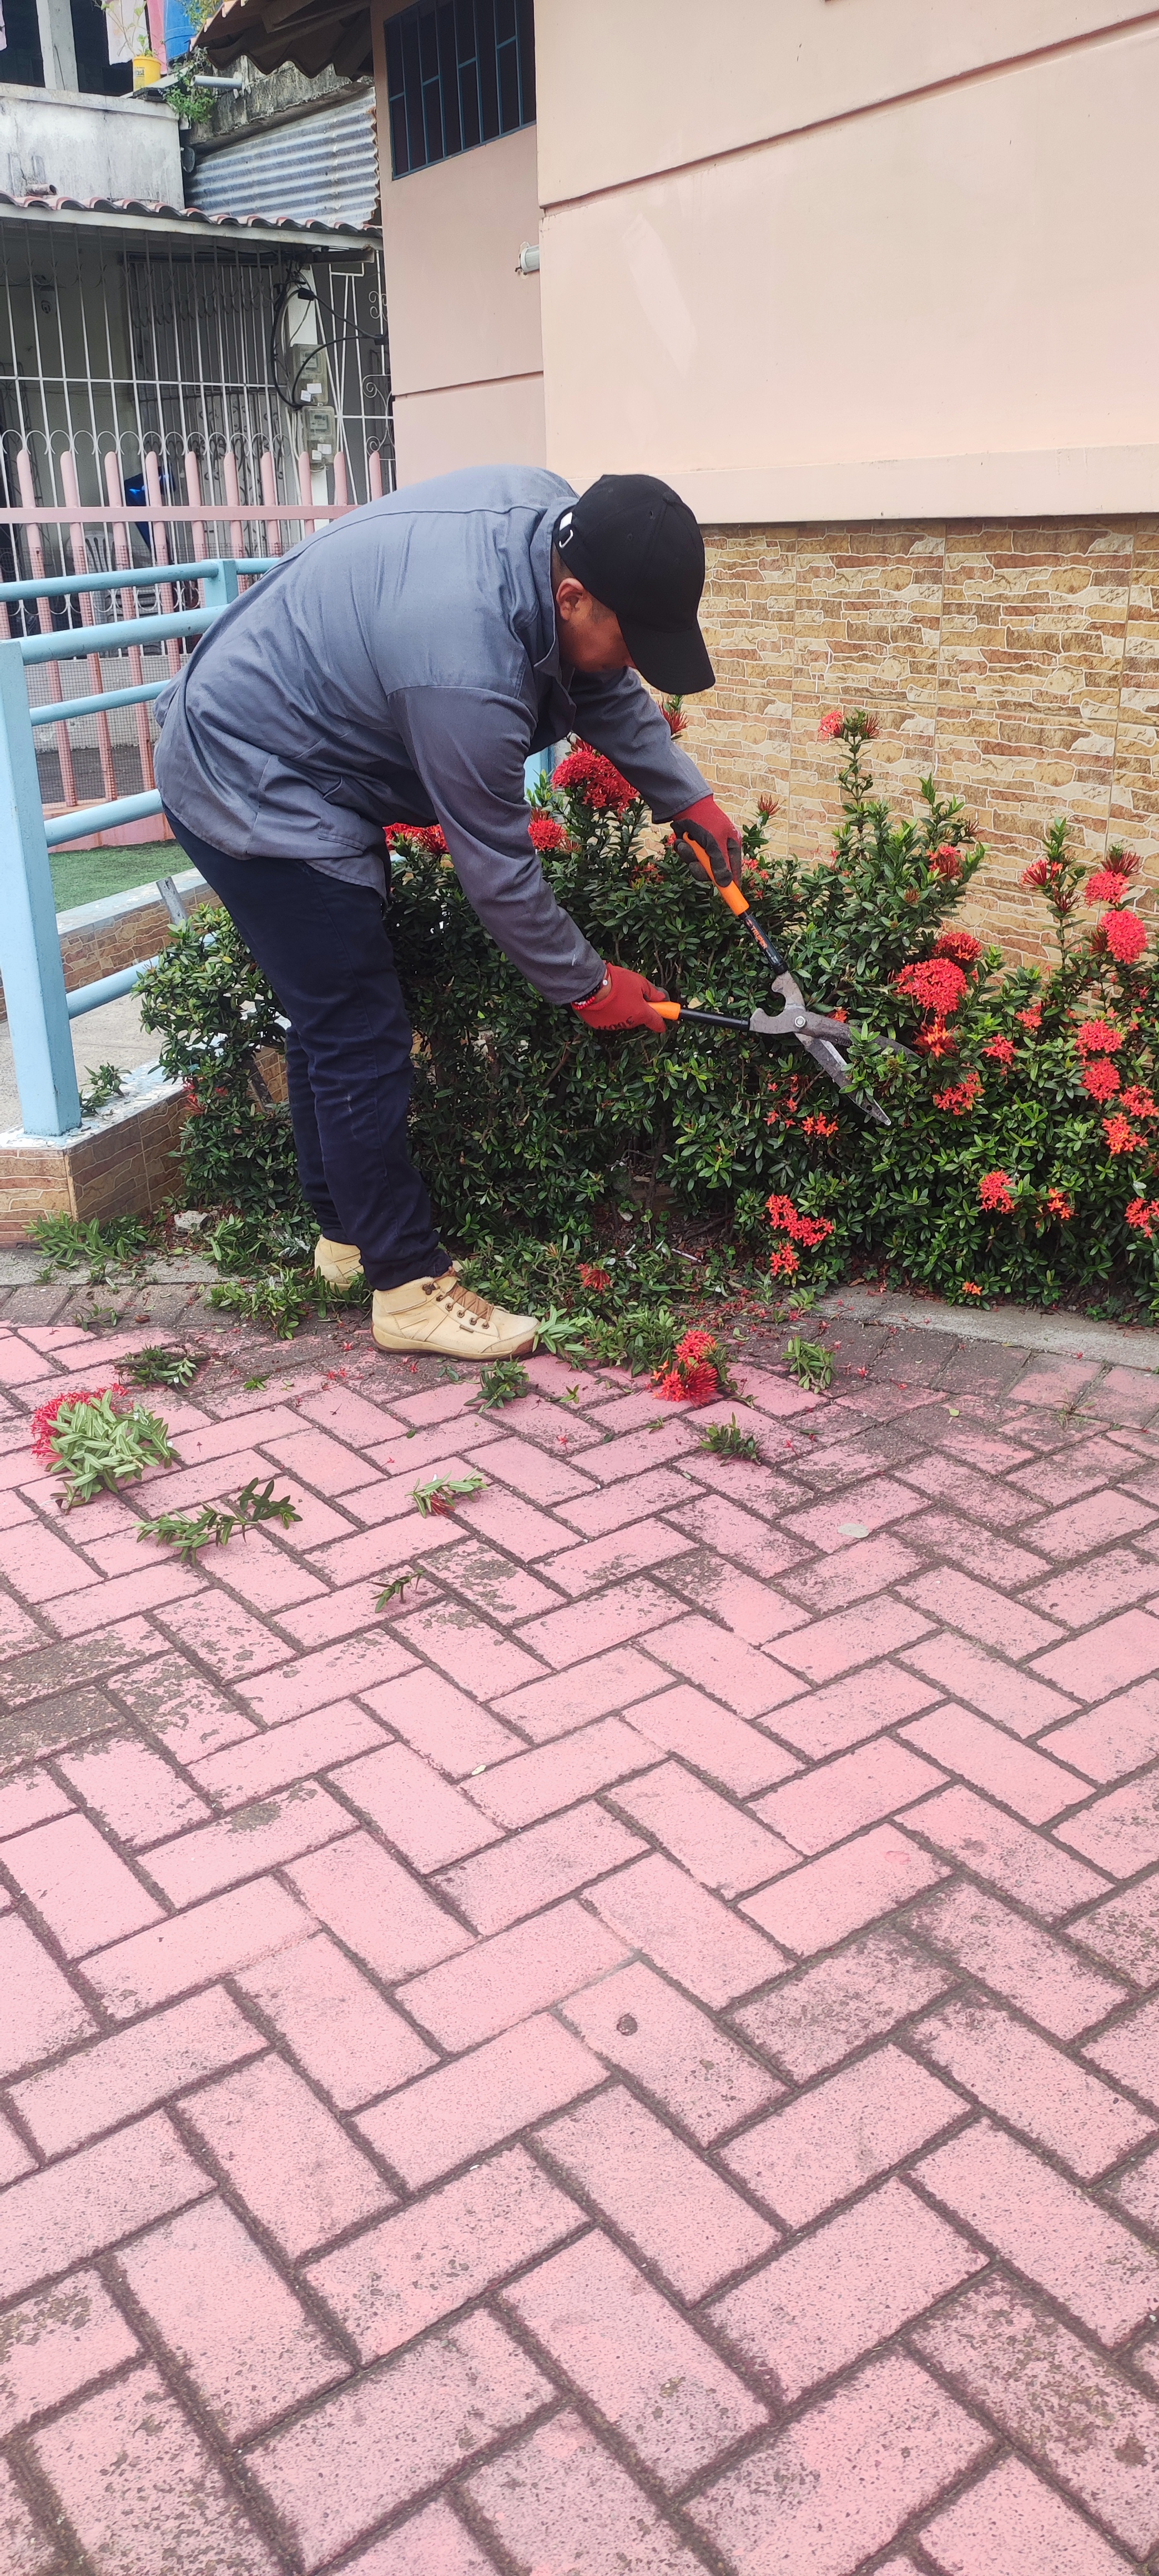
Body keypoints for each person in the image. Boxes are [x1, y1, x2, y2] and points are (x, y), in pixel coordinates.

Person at [154, 466, 741, 1359]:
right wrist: (589, 987)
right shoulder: (464, 668)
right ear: (573, 597)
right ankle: (406, 1288)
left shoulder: (557, 529)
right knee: (356, 1028)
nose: (635, 662)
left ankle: (346, 1241)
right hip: (248, 774)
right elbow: (498, 871)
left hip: (296, 747)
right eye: (633, 638)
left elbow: (598, 679)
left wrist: (685, 799)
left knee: (330, 1015)